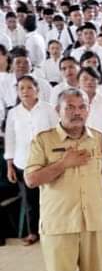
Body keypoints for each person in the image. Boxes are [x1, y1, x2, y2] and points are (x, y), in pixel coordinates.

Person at [25, 89, 102, 271]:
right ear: (58, 111)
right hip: (59, 221)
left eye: (81, 107)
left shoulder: (98, 139)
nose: (77, 112)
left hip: (93, 219)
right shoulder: (43, 140)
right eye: (70, 107)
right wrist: (64, 163)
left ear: (88, 109)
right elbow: (31, 179)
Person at [5, 75, 58, 246]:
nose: (25, 91)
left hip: (47, 161)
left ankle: (52, 229)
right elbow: (10, 139)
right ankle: (33, 232)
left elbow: (56, 133)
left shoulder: (48, 109)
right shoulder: (13, 113)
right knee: (29, 200)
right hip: (23, 162)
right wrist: (10, 165)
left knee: (51, 197)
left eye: (29, 87)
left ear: (37, 90)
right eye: (21, 88)